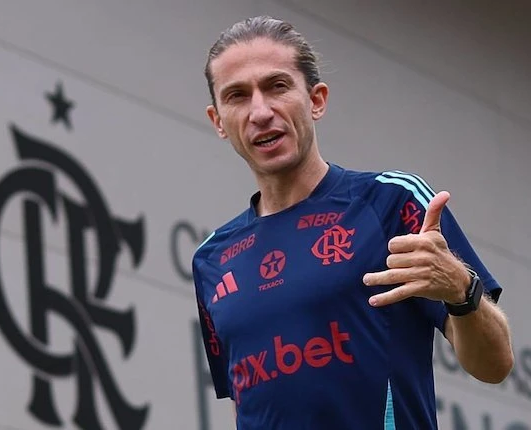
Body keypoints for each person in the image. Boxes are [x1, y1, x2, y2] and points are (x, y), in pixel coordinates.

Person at [192, 16, 514, 430]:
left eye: (277, 86)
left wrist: (461, 289)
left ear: (316, 100)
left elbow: (495, 365)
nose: (260, 111)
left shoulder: (391, 201)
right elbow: (248, 404)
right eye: (237, 96)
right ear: (218, 121)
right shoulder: (212, 258)